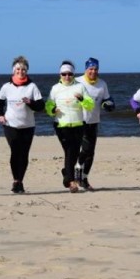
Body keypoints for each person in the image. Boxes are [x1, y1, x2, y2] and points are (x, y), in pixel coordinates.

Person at [0, 55, 45, 194]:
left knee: (23, 154)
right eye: (18, 69)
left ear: (26, 71)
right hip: (10, 125)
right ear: (13, 70)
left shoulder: (32, 86)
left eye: (23, 69)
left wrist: (30, 102)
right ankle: (15, 180)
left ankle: (20, 181)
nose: (20, 71)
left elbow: (41, 106)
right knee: (15, 152)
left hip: (28, 126)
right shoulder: (6, 87)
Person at [45, 61, 94, 193]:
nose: (67, 76)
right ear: (60, 74)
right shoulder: (55, 88)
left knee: (74, 152)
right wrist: (52, 109)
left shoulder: (80, 87)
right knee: (69, 151)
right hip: (61, 125)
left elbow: (90, 105)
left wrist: (82, 99)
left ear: (73, 74)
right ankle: (71, 182)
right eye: (64, 74)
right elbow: (48, 105)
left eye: (70, 74)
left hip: (78, 124)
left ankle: (66, 172)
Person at [74, 57, 115, 190]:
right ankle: (77, 167)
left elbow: (107, 99)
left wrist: (108, 104)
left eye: (96, 69)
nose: (93, 71)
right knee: (85, 149)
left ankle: (84, 179)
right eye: (91, 69)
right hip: (78, 121)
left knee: (91, 152)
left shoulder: (102, 84)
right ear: (86, 69)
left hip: (94, 121)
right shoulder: (77, 82)